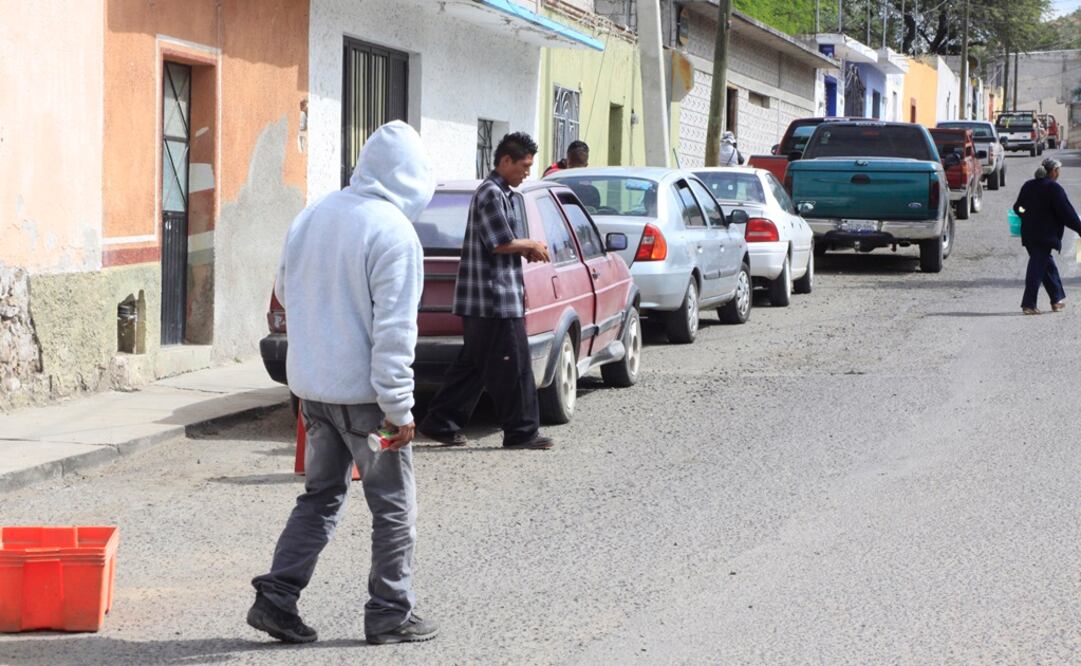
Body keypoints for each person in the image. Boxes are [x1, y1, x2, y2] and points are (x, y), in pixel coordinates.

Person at [248, 121, 438, 645]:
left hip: (312, 391)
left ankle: (276, 599)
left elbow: (285, 292)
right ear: (414, 179)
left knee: (320, 496)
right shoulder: (394, 232)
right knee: (394, 508)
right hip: (365, 400)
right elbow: (395, 332)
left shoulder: (313, 215)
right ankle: (390, 613)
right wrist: (400, 408)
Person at [420, 132, 555, 450]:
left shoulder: (502, 193)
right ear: (505, 161)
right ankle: (522, 432)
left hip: (489, 299)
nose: (526, 172)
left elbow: (500, 243)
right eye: (523, 166)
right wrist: (531, 244)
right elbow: (499, 243)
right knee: (515, 367)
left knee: (474, 368)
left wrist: (524, 249)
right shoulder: (491, 193)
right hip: (492, 300)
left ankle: (441, 422)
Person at [1013, 156, 1081, 315]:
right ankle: (1029, 304)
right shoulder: (1054, 189)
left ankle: (1056, 300)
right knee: (1036, 269)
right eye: (1058, 170)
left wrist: (1026, 214)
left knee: (1046, 266)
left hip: (1029, 234)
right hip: (1045, 236)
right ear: (1054, 171)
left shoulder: (1028, 186)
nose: (1059, 173)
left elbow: (1018, 208)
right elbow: (1067, 214)